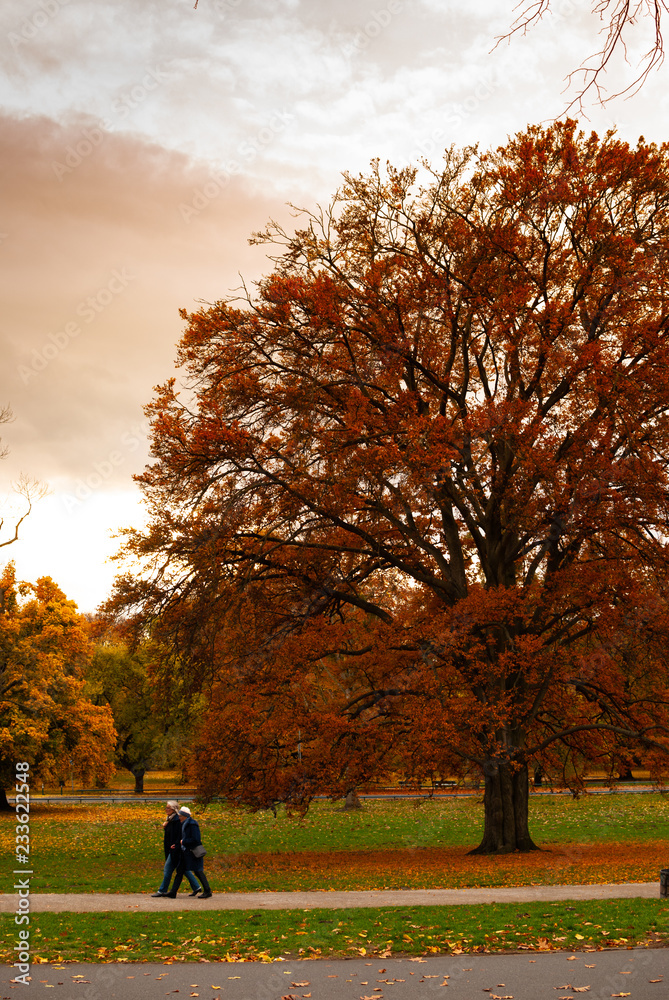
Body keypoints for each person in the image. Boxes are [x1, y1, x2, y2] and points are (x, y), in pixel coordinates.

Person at [151, 800, 201, 897]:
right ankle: (196, 886)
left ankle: (162, 890)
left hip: (176, 849)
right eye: (166, 807)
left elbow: (179, 834)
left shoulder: (176, 820)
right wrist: (166, 826)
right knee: (182, 869)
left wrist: (176, 845)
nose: (166, 809)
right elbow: (171, 833)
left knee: (168, 869)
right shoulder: (171, 819)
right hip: (173, 848)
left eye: (168, 808)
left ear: (173, 810)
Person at [166, 805, 212, 899]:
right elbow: (181, 838)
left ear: (185, 816)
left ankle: (207, 890)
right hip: (185, 852)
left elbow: (196, 839)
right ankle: (173, 892)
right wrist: (177, 845)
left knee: (198, 871)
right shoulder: (183, 824)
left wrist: (184, 842)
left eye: (180, 816)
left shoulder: (192, 824)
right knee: (180, 871)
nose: (178, 817)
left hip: (193, 853)